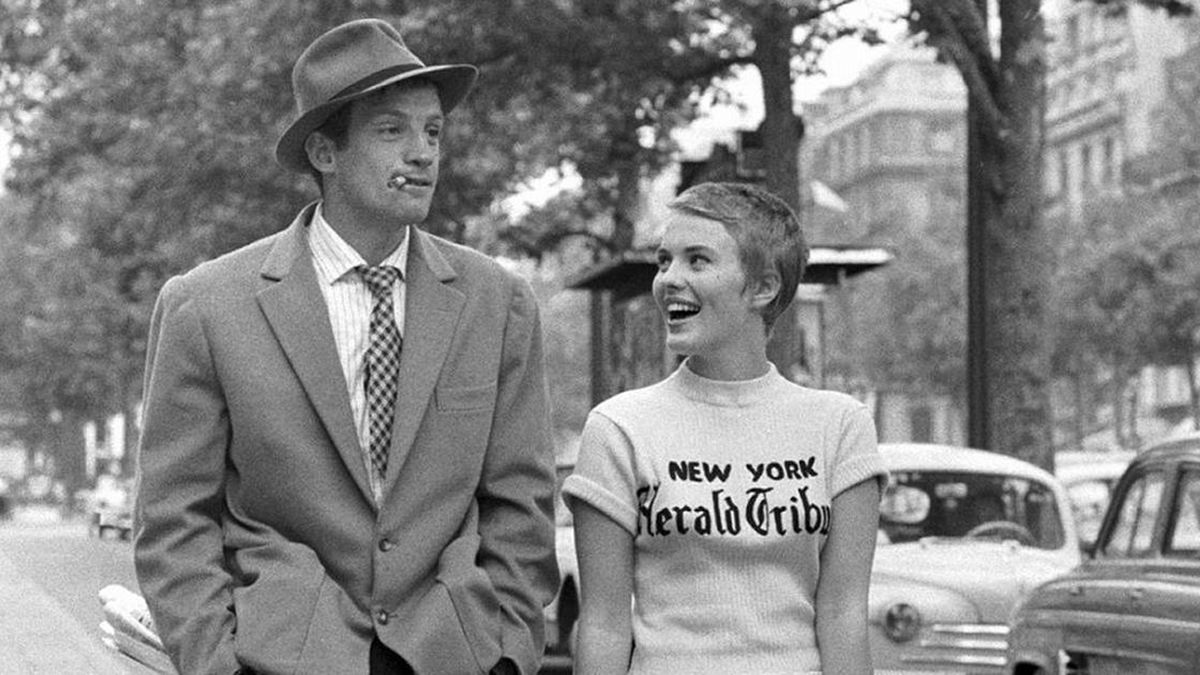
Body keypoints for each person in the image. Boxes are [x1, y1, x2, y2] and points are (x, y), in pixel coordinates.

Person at [133, 18, 558, 675]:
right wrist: (218, 665)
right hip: (279, 655)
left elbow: (522, 507)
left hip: (451, 654)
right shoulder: (206, 307)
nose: (422, 153)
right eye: (392, 130)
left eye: (433, 131)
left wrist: (506, 654)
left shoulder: (498, 303)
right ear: (325, 154)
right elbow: (173, 523)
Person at [563, 182, 887, 675]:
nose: (669, 279)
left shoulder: (841, 427)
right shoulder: (619, 429)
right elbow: (605, 623)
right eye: (664, 261)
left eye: (697, 260)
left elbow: (842, 616)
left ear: (763, 287)